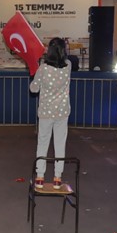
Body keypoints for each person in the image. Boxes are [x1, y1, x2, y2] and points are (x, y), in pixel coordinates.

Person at [29, 37, 72, 191]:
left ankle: (40, 177)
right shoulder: (68, 65)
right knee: (60, 144)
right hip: (62, 112)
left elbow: (34, 89)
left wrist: (34, 74)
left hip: (46, 112)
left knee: (43, 143)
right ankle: (57, 178)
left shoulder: (43, 68)